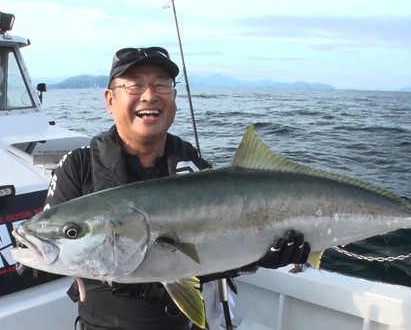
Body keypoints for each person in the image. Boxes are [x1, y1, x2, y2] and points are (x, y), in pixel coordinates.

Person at [20, 46, 310, 330]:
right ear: (110, 100)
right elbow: (56, 239)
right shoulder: (79, 165)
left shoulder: (192, 167)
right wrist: (37, 258)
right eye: (134, 86)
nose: (149, 95)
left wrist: (262, 256)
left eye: (162, 85)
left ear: (174, 97)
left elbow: (212, 257)